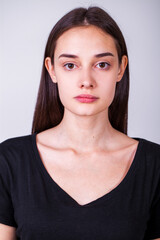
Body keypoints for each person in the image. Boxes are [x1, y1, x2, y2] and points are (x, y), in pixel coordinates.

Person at [0, 6, 160, 240]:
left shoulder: (154, 164)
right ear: (52, 70)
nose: (86, 81)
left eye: (102, 64)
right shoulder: (9, 161)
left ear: (121, 68)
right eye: (70, 65)